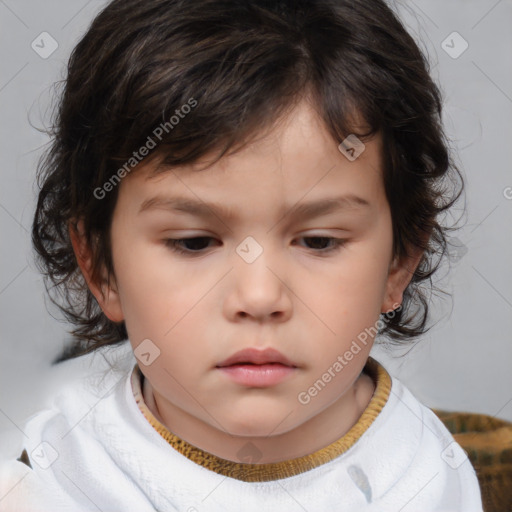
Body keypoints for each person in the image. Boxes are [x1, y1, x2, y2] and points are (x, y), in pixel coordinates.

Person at [0, 0, 483, 510]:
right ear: (100, 266)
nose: (258, 297)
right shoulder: (52, 479)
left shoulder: (426, 478)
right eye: (193, 242)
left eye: (319, 241)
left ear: (400, 259)